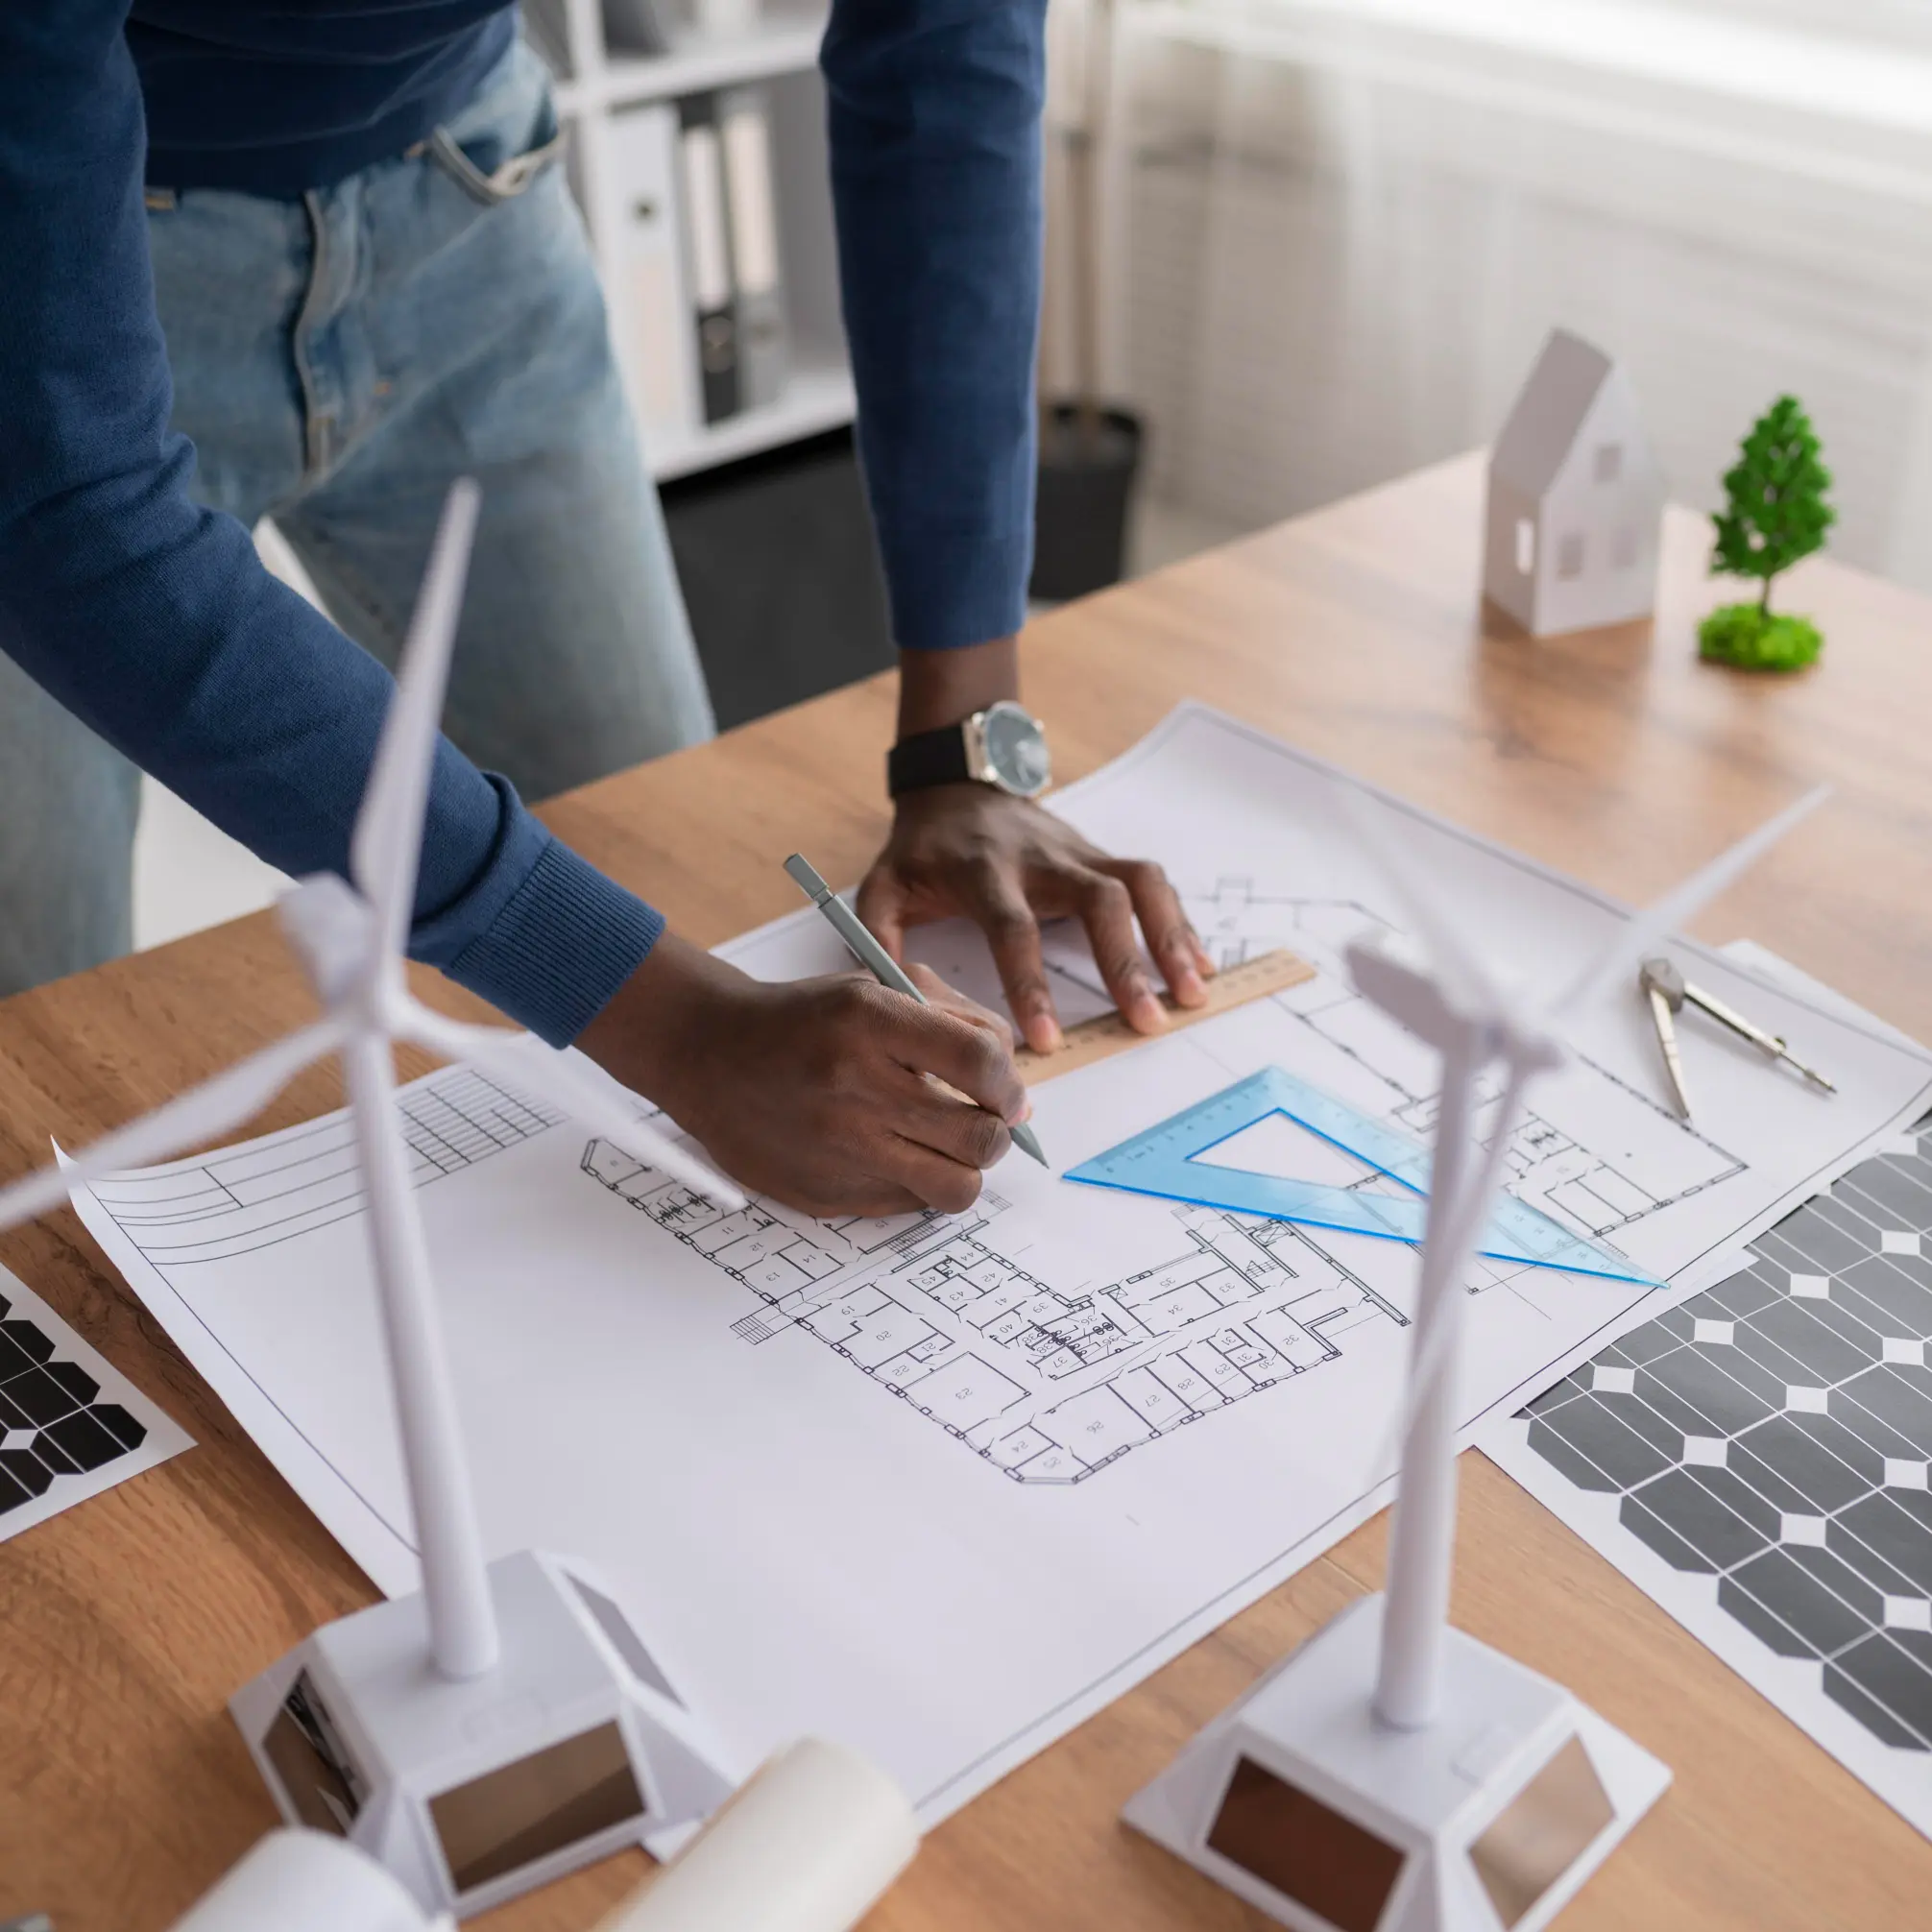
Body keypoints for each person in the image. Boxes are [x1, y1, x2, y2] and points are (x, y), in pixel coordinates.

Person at [0, 0, 1213, 1219]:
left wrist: (965, 747)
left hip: (467, 192)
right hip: (48, 243)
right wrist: (681, 1035)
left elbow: (942, 52)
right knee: (33, 1040)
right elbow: (63, 508)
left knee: (682, 887)